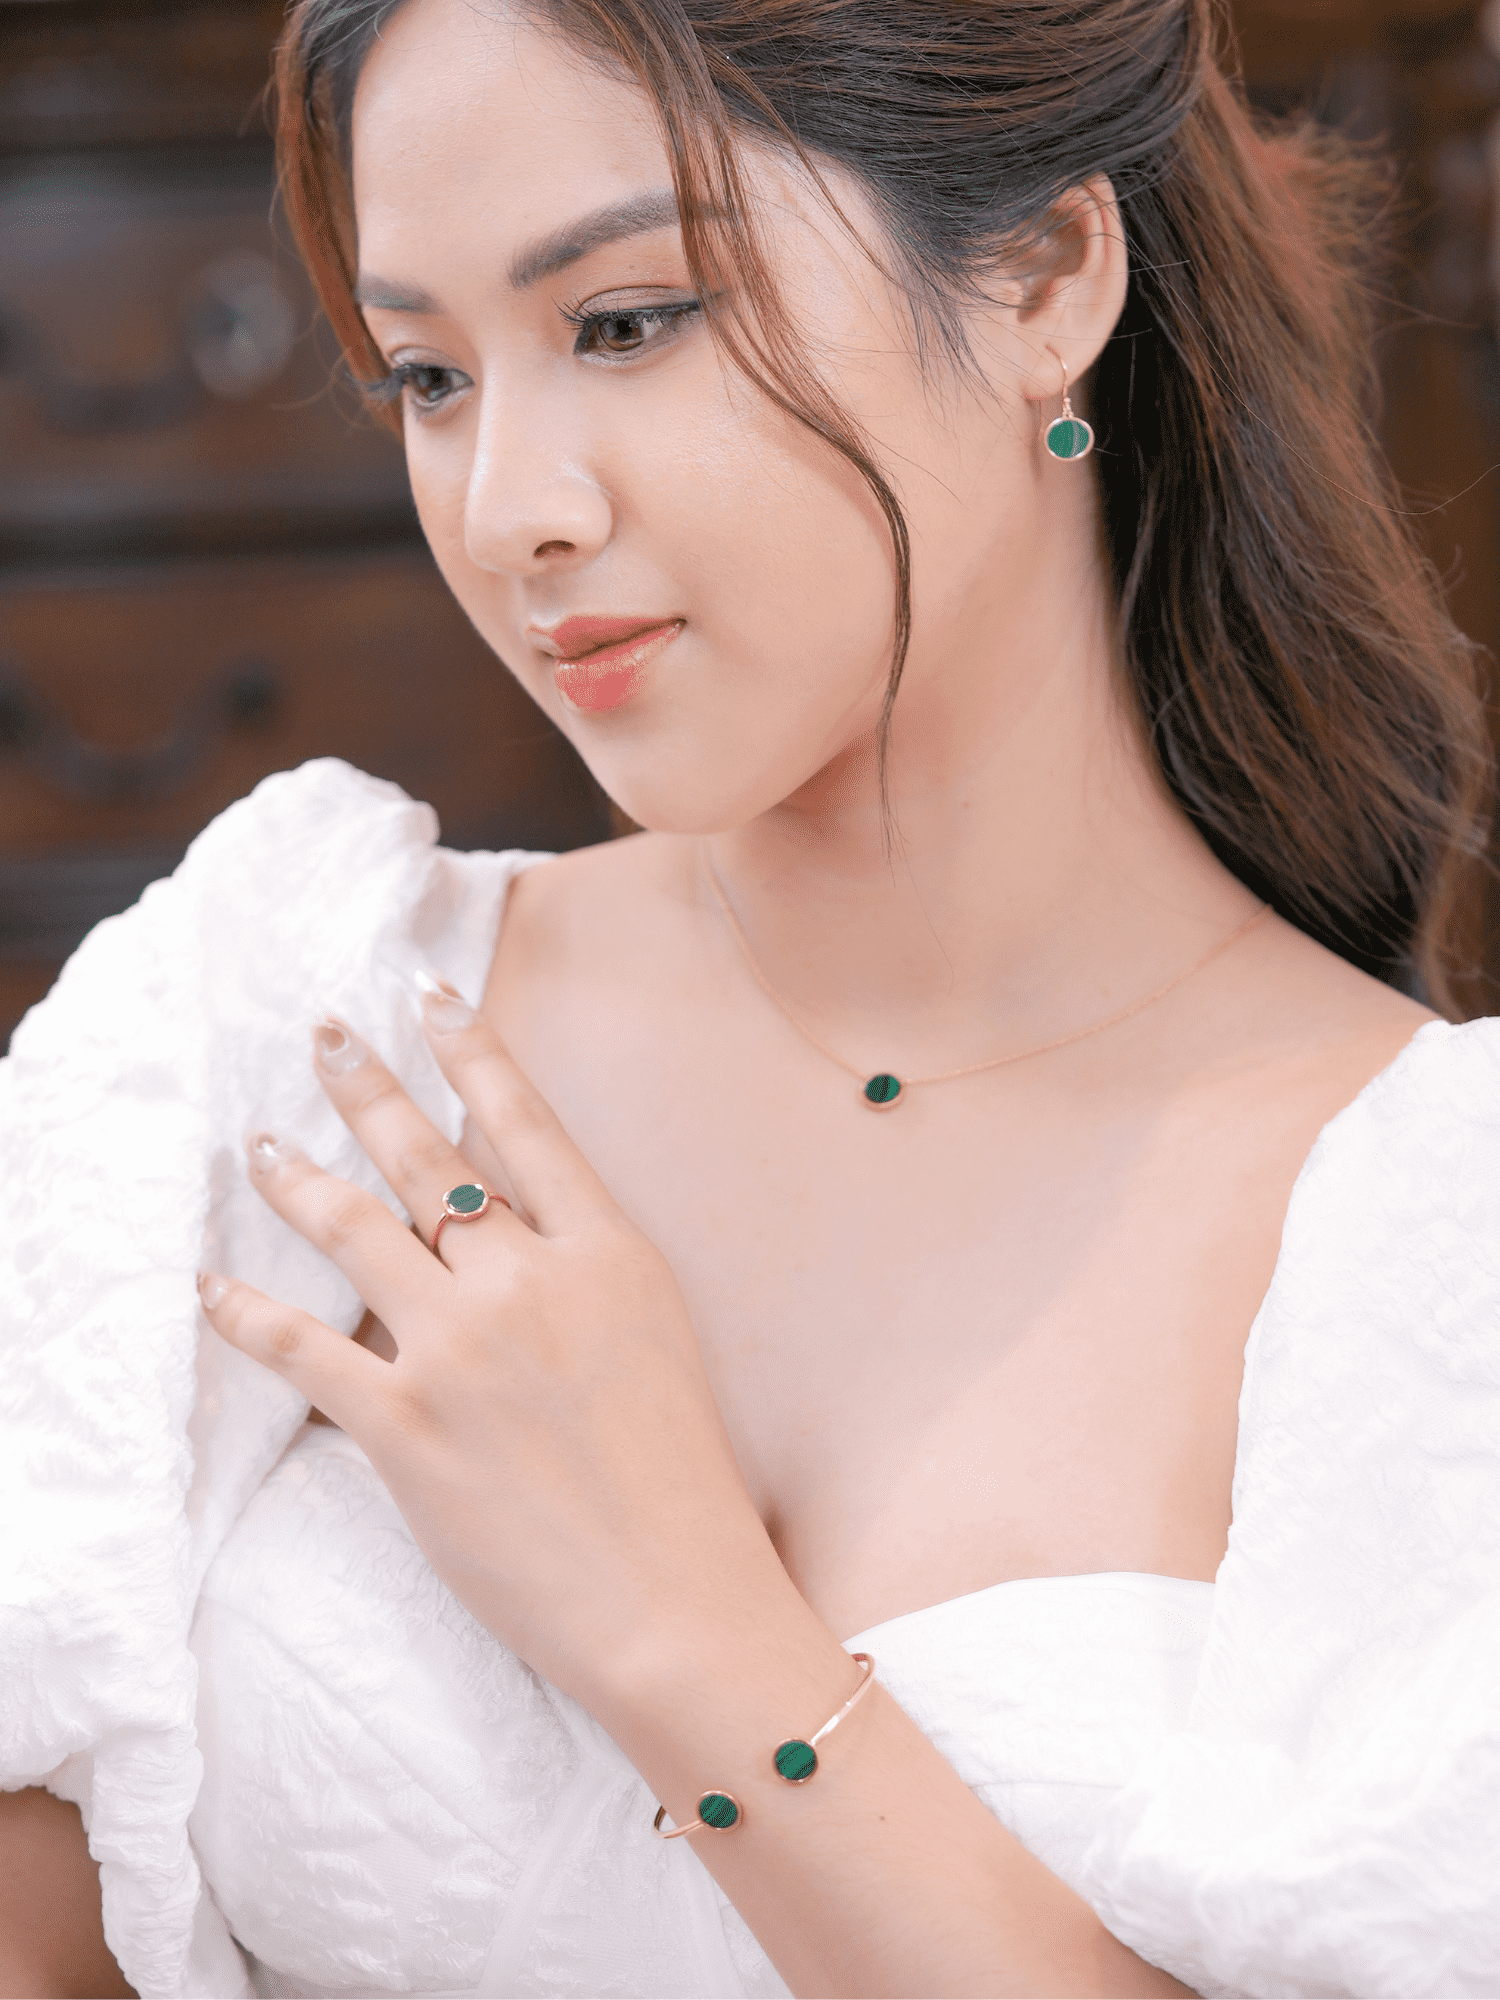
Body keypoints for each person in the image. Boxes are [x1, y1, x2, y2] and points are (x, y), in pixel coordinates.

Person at [3, 0, 1499, 1991]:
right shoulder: (275, 1022)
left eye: (627, 322)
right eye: (431, 374)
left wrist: (676, 1619)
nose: (508, 508)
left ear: (1046, 276)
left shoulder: (1430, 1234)